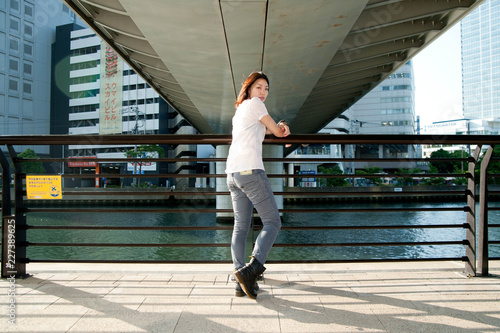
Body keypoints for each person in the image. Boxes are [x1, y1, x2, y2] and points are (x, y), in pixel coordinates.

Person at [225, 71, 290, 299]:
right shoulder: (255, 104)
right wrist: (283, 127)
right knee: (273, 222)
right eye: (259, 87)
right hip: (250, 172)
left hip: (233, 174)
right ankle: (252, 270)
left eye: (266, 89)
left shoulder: (241, 109)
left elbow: (268, 129)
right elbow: (279, 133)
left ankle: (239, 280)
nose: (263, 93)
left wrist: (277, 126)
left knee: (240, 228)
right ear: (249, 88)